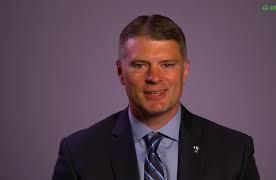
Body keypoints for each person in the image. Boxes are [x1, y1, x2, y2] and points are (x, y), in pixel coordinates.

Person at [52, 14, 260, 180]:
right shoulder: (79, 154)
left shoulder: (235, 153)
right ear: (119, 71)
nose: (154, 78)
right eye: (140, 65)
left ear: (185, 71)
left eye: (167, 65)